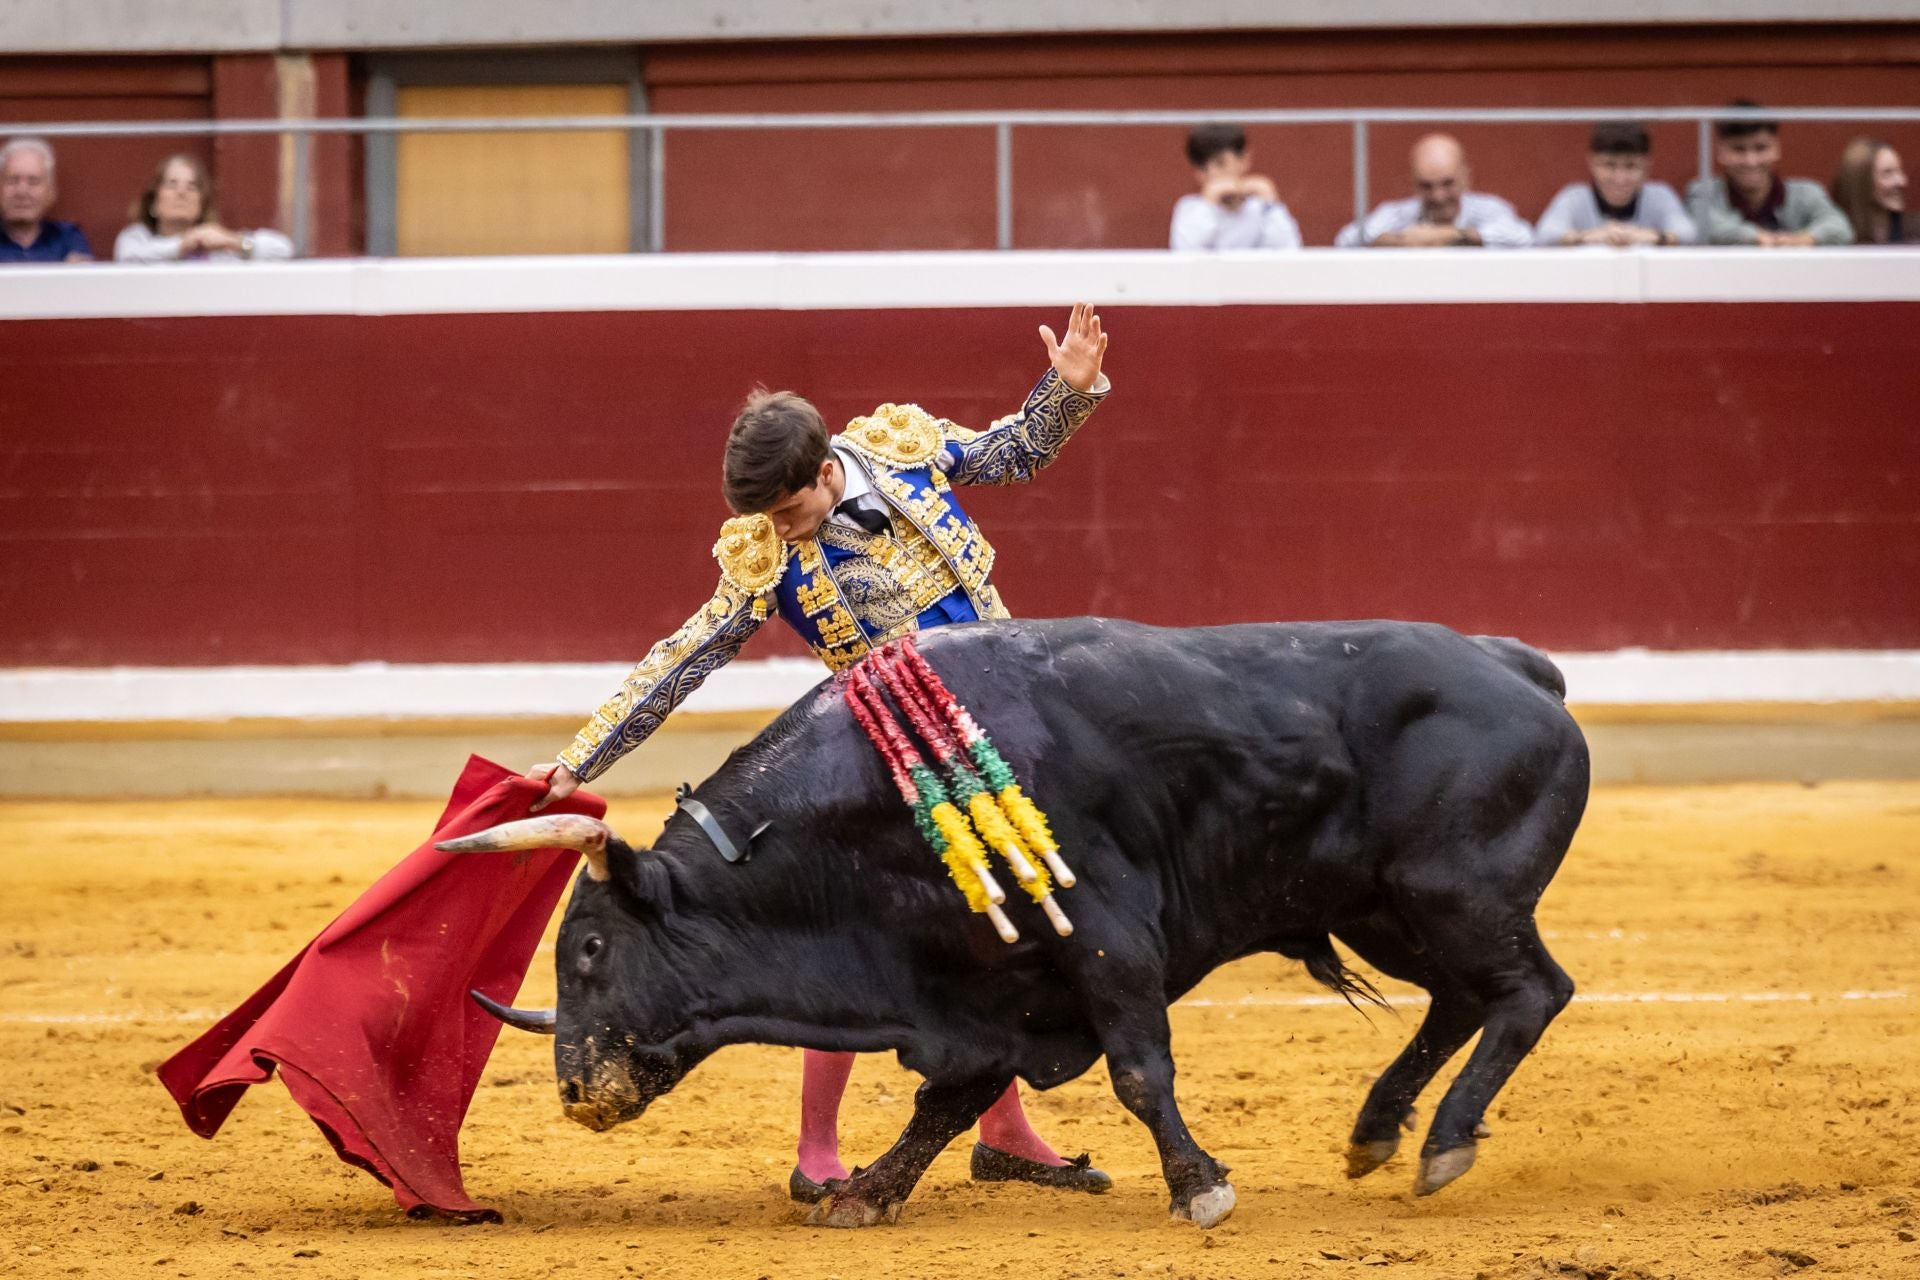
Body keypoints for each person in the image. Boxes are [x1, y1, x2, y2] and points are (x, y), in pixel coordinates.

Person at [527, 303, 1115, 1205]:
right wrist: (581, 760)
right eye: (769, 516)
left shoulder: (903, 448)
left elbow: (1010, 454)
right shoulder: (765, 553)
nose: (784, 528)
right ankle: (816, 1150)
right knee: (857, 943)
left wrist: (1064, 394)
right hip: (891, 754)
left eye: (792, 508)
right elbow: (685, 657)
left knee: (998, 928)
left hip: (1002, 731)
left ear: (827, 469)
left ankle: (1000, 1128)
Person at [1687, 102, 1853, 247]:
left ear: (1776, 148)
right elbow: (1709, 227)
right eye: (1739, 149)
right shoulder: (1704, 192)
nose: (1751, 161)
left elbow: (1840, 228)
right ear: (1721, 152)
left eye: (1761, 148)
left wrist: (1801, 240)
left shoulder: (1806, 192)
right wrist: (1761, 239)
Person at [1335, 133, 1532, 248]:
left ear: (1465, 177)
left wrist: (1447, 235)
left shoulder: (1489, 208)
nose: (1438, 196)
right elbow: (1346, 239)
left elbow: (1523, 237)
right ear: (1413, 183)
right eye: (1426, 186)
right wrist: (1401, 241)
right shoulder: (1398, 213)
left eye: (1447, 184)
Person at [1534, 121, 1697, 246]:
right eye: (1609, 165)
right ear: (1592, 164)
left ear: (1647, 167)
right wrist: (1592, 236)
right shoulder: (1574, 196)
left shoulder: (1660, 195)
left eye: (1631, 166)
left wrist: (1647, 236)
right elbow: (1545, 234)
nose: (1620, 178)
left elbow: (1688, 234)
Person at [114, 153, 294, 263]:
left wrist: (234, 242)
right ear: (153, 202)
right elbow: (128, 257)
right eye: (171, 184)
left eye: (192, 186)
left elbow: (283, 250)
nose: (182, 192)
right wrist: (182, 245)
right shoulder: (137, 237)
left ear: (202, 205)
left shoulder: (216, 245)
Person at [1169, 123, 1301, 250]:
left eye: (1221, 163)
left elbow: (1289, 250)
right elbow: (1185, 253)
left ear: (1244, 160)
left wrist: (1271, 203)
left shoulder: (1262, 209)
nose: (1212, 173)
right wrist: (1209, 204)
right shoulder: (1189, 209)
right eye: (1203, 168)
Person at [0, 137, 92, 263]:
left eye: (33, 182)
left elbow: (81, 280)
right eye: (12, 181)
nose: (22, 192)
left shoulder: (68, 238)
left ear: (51, 192)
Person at [1831, 137, 1910, 245]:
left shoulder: (1913, 232)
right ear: (1861, 182)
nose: (1902, 182)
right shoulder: (1834, 235)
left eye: (1899, 171)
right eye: (1887, 173)